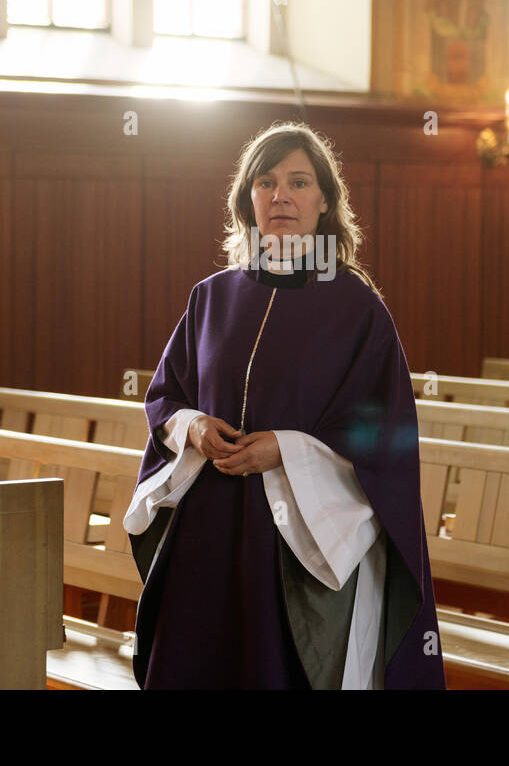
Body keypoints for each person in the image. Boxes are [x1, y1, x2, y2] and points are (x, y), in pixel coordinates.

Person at [123, 121, 446, 689]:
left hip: (297, 538)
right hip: (209, 529)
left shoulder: (357, 310)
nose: (281, 195)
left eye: (299, 182)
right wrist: (195, 428)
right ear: (247, 200)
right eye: (266, 182)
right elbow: (165, 397)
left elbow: (385, 433)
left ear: (325, 201)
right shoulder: (212, 297)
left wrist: (287, 450)